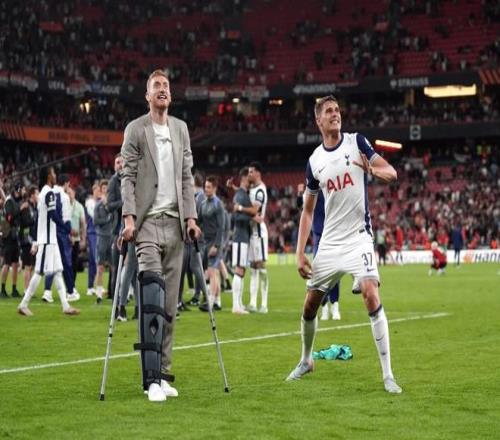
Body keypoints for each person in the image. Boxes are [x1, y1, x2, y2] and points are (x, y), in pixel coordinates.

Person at [286, 95, 402, 394]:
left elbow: (392, 173)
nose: (335, 114)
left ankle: (388, 374)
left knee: (370, 293)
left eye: (337, 110)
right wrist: (299, 253)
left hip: (358, 238)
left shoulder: (356, 142)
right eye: (329, 111)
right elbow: (308, 211)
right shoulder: (315, 161)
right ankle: (306, 360)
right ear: (318, 120)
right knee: (310, 305)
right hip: (329, 243)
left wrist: (373, 171)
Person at [121, 69, 201, 402]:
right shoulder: (135, 129)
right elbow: (127, 176)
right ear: (147, 95)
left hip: (176, 225)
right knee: (152, 300)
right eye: (156, 86)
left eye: (166, 85)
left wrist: (191, 217)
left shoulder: (180, 129)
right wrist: (129, 218)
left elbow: (187, 177)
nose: (163, 89)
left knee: (169, 307)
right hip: (147, 224)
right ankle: (150, 379)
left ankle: (164, 373)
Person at [17, 167, 80, 316]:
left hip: (50, 240)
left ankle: (65, 306)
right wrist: (66, 228)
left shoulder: (43, 193)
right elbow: (52, 215)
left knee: (58, 272)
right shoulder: (49, 193)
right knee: (39, 272)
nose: (55, 175)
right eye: (53, 173)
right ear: (48, 176)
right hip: (47, 241)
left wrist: (36, 240)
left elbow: (40, 218)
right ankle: (23, 304)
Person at [297, 182, 341, 321]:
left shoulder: (332, 186)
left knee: (335, 271)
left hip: (333, 235)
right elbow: (302, 207)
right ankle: (324, 307)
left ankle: (335, 305)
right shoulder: (312, 189)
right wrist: (299, 193)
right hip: (319, 236)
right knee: (318, 273)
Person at [42, 174, 79, 303]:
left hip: (49, 232)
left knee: (51, 262)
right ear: (67, 183)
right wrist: (70, 232)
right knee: (66, 263)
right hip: (61, 234)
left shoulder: (49, 193)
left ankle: (47, 291)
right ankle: (70, 291)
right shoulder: (64, 197)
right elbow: (66, 219)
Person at [230, 167, 258, 314]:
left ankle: (239, 304)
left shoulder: (241, 194)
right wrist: (252, 218)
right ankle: (235, 306)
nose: (251, 178)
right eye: (249, 175)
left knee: (242, 270)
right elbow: (236, 217)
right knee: (239, 269)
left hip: (242, 236)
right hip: (240, 236)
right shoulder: (241, 196)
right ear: (244, 178)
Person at [197, 176, 225, 312]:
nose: (206, 189)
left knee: (212, 272)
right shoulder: (202, 204)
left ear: (214, 188)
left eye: (208, 187)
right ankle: (218, 302)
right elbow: (199, 222)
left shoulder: (218, 204)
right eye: (205, 187)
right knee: (212, 272)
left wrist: (217, 245)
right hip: (206, 242)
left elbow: (221, 227)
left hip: (215, 242)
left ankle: (210, 302)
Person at [247, 161, 269, 313]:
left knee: (261, 267)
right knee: (253, 268)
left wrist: (241, 210)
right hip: (251, 233)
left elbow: (255, 212)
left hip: (259, 233)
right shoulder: (252, 189)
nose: (249, 174)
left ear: (257, 173)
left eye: (251, 172)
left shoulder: (260, 191)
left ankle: (264, 304)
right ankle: (253, 303)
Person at [1, 181, 23, 298]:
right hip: (8, 235)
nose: (23, 192)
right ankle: (2, 289)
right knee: (7, 263)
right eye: (22, 189)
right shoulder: (9, 201)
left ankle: (14, 289)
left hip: (15, 235)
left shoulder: (16, 201)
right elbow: (9, 218)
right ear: (17, 190)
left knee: (15, 263)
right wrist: (20, 210)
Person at [94, 180, 113, 304]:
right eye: (103, 188)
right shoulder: (98, 205)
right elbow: (96, 221)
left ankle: (114, 292)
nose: (105, 190)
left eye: (107, 188)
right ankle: (99, 295)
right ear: (101, 191)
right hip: (102, 237)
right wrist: (107, 219)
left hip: (112, 237)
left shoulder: (112, 205)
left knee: (113, 267)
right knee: (100, 267)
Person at [107, 154, 123, 298]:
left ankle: (129, 303)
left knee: (133, 269)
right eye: (117, 162)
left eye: (122, 162)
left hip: (131, 228)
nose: (120, 165)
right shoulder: (113, 182)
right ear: (114, 166)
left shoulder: (130, 180)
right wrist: (124, 202)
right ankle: (115, 303)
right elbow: (109, 205)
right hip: (117, 230)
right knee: (117, 268)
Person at [19, 185, 38, 292]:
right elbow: (25, 222)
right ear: (32, 195)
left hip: (34, 240)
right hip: (26, 240)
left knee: (31, 266)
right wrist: (34, 220)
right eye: (37, 193)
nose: (38, 195)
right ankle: (26, 290)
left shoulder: (35, 207)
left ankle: (29, 289)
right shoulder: (26, 206)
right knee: (27, 266)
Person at [68, 187, 86, 286]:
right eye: (67, 193)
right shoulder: (64, 206)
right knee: (66, 263)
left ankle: (72, 285)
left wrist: (83, 239)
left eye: (70, 193)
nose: (68, 195)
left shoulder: (79, 206)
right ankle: (68, 285)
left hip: (76, 239)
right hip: (66, 239)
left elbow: (83, 224)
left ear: (74, 194)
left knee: (74, 263)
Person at [85, 183, 100, 296]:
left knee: (94, 260)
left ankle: (92, 286)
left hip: (99, 233)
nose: (98, 192)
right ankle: (92, 286)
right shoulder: (89, 203)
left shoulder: (100, 202)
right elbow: (94, 216)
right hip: (92, 233)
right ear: (93, 191)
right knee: (95, 259)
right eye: (97, 190)